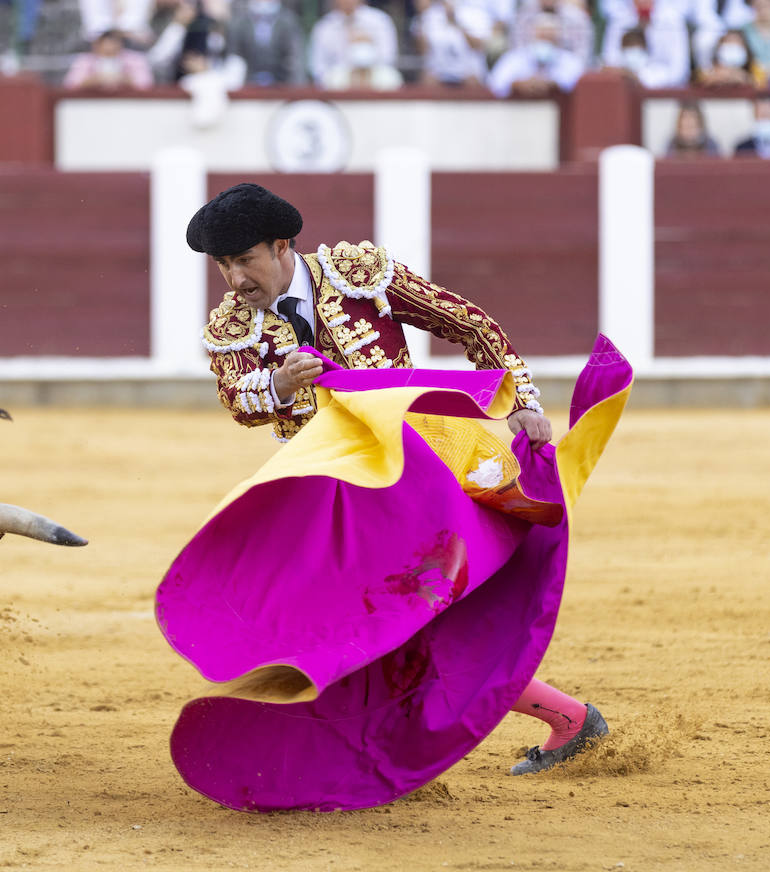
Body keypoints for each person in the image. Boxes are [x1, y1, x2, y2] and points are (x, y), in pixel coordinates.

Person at [188, 182, 608, 777]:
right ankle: (560, 718)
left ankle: (556, 719)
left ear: (282, 246)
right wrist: (279, 386)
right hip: (326, 496)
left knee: (397, 626)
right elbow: (238, 399)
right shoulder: (233, 325)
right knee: (364, 627)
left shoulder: (358, 275)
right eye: (222, 265)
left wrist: (522, 399)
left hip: (414, 478)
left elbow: (470, 325)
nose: (234, 280)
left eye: (244, 260)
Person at [486, 12, 584, 96]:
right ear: (533, 35)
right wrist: (517, 84)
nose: (546, 41)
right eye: (542, 36)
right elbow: (496, 83)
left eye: (550, 37)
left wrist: (552, 83)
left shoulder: (570, 60)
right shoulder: (514, 58)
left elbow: (577, 81)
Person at [308, 0, 399, 89]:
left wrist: (368, 46)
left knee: (390, 78)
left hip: (374, 78)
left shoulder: (380, 20)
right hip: (338, 85)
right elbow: (318, 67)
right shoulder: (324, 27)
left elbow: (388, 58)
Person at [600, 0, 691, 89]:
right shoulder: (619, 20)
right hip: (625, 91)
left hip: (664, 94)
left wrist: (642, 77)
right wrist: (626, 74)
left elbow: (679, 72)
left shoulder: (673, 21)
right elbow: (610, 63)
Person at [412, 0, 492, 88]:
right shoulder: (429, 14)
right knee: (427, 80)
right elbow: (422, 51)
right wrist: (421, 16)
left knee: (473, 82)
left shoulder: (475, 12)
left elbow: (478, 46)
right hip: (439, 72)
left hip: (468, 72)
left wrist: (455, 21)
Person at [226, 0, 307, 86]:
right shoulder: (240, 22)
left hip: (282, 84)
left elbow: (296, 57)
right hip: (248, 84)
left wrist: (296, 88)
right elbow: (234, 57)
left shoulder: (289, 21)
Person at [62, 29, 154, 89]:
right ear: (96, 47)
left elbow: (146, 84)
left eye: (113, 50)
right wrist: (93, 80)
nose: (109, 52)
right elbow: (70, 85)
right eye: (106, 52)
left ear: (120, 46)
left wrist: (126, 80)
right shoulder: (84, 61)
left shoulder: (135, 59)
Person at [697, 28, 763, 87]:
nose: (732, 45)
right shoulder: (708, 67)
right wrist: (718, 77)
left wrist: (744, 78)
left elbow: (761, 85)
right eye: (728, 41)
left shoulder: (754, 68)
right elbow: (699, 82)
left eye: (737, 42)